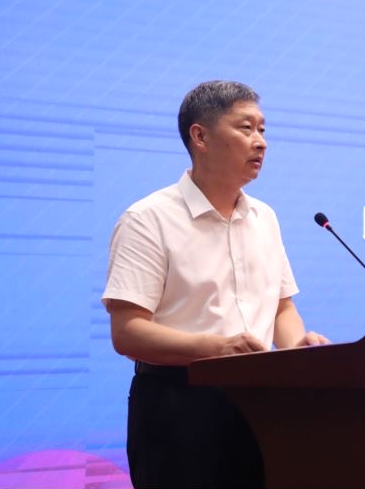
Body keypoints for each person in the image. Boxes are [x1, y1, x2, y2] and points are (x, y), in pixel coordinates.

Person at [102, 80, 329, 488]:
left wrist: (297, 348)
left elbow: (281, 307)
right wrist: (217, 349)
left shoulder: (265, 218)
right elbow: (127, 331)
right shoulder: (148, 219)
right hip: (178, 406)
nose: (261, 142)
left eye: (263, 129)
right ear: (200, 136)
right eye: (246, 128)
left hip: (263, 404)